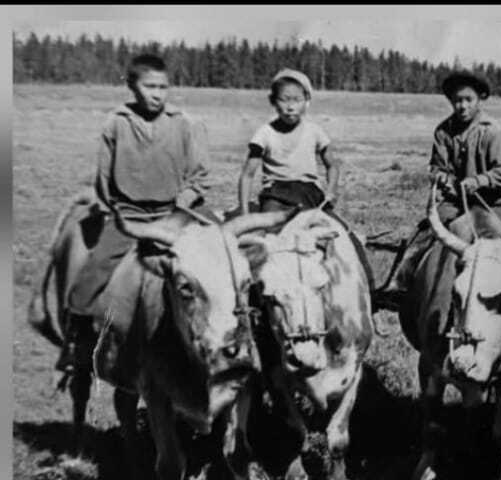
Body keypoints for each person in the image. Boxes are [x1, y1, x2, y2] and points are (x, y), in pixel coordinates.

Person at [60, 51, 210, 374]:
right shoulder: (116, 123)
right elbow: (103, 178)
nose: (157, 94)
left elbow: (199, 177)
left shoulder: (182, 124)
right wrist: (116, 211)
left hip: (173, 213)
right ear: (132, 86)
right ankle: (77, 338)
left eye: (163, 87)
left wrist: (181, 206)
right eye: (150, 86)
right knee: (95, 268)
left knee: (210, 262)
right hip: (128, 216)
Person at [374, 69, 501, 309]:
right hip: (455, 202)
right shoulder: (443, 132)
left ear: (479, 100)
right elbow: (436, 167)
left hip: (492, 202)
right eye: (457, 100)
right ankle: (398, 284)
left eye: (468, 100)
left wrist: (479, 181)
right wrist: (442, 177)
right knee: (422, 235)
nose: (462, 106)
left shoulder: (492, 131)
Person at [238, 68, 340, 216]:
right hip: (276, 194)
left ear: (306, 102)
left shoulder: (315, 131)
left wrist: (331, 191)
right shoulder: (264, 133)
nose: (290, 107)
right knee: (270, 231)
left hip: (310, 193)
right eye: (284, 100)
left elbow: (332, 166)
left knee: (335, 231)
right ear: (273, 101)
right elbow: (247, 174)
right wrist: (244, 214)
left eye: (297, 100)